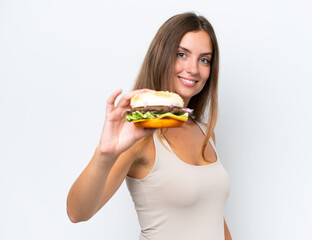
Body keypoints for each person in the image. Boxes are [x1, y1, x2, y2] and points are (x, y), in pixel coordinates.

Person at [67, 12, 232, 240]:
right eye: (181, 54)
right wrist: (104, 154)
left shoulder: (206, 133)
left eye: (204, 59)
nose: (193, 69)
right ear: (161, 56)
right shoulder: (139, 136)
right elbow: (77, 213)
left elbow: (213, 217)